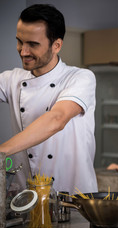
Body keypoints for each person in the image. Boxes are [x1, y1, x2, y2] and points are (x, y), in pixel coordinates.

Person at [0, 4, 98, 195]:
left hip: (75, 201)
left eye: (33, 44)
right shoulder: (11, 79)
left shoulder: (80, 77)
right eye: (20, 41)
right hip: (27, 203)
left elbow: (56, 119)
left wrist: (1, 152)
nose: (23, 51)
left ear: (57, 45)